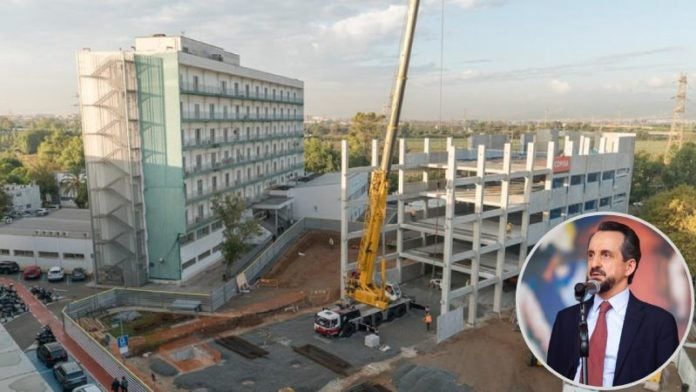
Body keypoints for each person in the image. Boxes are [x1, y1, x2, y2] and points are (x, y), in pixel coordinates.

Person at [546, 221, 679, 387]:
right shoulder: (565, 319)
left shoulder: (659, 324)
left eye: (606, 255)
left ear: (629, 267)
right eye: (591, 255)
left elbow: (666, 384)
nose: (594, 264)